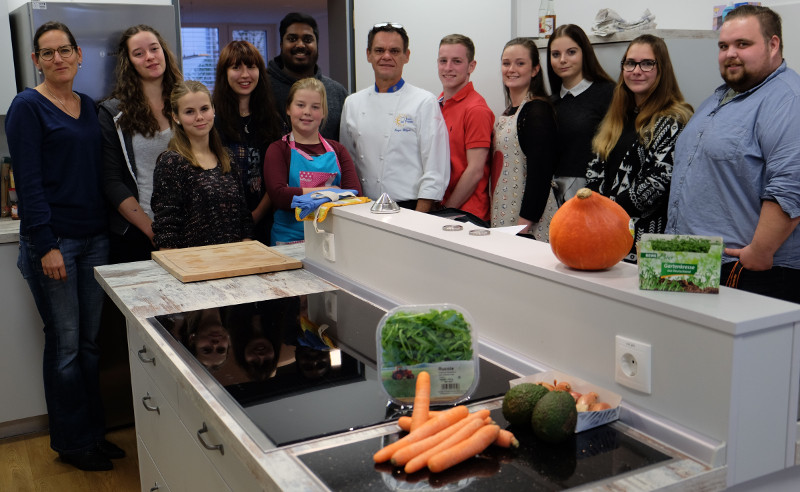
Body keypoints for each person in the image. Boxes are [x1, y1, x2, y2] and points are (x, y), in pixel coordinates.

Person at [5, 21, 123, 471]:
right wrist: (46, 244)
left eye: (64, 51)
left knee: (90, 345)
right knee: (66, 345)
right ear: (36, 60)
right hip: (54, 243)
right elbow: (28, 182)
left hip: (95, 238)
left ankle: (94, 434)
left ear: (78, 56)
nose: (58, 59)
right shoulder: (27, 107)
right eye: (47, 53)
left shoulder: (87, 105)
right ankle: (73, 444)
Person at [666, 5, 800, 303]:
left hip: (749, 269)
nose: (730, 54)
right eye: (724, 46)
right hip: (690, 260)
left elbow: (791, 182)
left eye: (743, 44)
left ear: (773, 44)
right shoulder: (720, 96)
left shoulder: (787, 99)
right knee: (691, 347)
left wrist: (760, 252)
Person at [587, 34, 693, 263]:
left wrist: (606, 210)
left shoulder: (673, 120)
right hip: (604, 232)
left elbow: (657, 183)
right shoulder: (617, 116)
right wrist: (591, 205)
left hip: (645, 244)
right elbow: (595, 168)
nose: (636, 70)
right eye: (630, 63)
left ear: (661, 69)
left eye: (647, 63)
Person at [340, 22, 449, 212]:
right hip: (364, 207)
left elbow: (435, 169)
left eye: (395, 51)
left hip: (411, 208)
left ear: (406, 56)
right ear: (368, 55)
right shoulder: (352, 103)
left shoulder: (424, 102)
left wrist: (418, 219)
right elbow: (348, 164)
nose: (386, 56)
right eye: (379, 50)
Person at [99, 25, 182, 262]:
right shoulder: (113, 113)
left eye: (154, 49)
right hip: (139, 233)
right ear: (129, 63)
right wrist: (153, 231)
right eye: (139, 53)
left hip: (189, 228)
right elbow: (111, 181)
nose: (150, 57)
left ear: (164, 52)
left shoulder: (186, 101)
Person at [151, 81, 253, 248]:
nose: (199, 117)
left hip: (235, 261)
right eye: (189, 112)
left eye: (204, 109)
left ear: (213, 110)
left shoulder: (227, 158)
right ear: (176, 117)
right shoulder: (171, 162)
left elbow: (244, 219)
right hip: (192, 266)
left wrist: (245, 252)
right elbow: (166, 231)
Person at [264, 78, 361, 245]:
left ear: (323, 112)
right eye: (300, 105)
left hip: (332, 240)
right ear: (288, 109)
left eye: (315, 107)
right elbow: (279, 196)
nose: (307, 112)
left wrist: (299, 194)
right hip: (289, 241)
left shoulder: (338, 150)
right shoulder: (278, 150)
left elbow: (354, 195)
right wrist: (332, 191)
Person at [213, 40, 284, 244]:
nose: (245, 75)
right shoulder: (211, 119)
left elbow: (277, 177)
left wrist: (255, 216)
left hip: (265, 222)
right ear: (224, 73)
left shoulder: (274, 121)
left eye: (251, 67)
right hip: (221, 224)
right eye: (236, 67)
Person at [491, 37, 557, 240]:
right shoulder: (510, 111)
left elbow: (540, 173)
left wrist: (524, 225)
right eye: (506, 63)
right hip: (505, 216)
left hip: (527, 225)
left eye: (520, 63)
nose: (512, 69)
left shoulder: (536, 110)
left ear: (535, 69)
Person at [547, 24, 615, 206]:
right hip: (551, 195)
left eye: (571, 52)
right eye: (555, 54)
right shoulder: (549, 103)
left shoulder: (608, 93)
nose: (562, 60)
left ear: (584, 53)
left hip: (591, 193)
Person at [436, 34, 494, 224]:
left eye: (457, 61)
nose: (448, 68)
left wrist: (446, 210)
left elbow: (475, 171)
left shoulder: (476, 109)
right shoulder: (437, 104)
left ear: (471, 66)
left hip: (466, 216)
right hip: (443, 210)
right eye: (443, 61)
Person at [267, 12, 349, 140]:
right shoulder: (262, 88)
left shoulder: (337, 93)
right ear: (281, 45)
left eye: (308, 39)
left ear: (317, 45)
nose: (300, 45)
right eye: (292, 39)